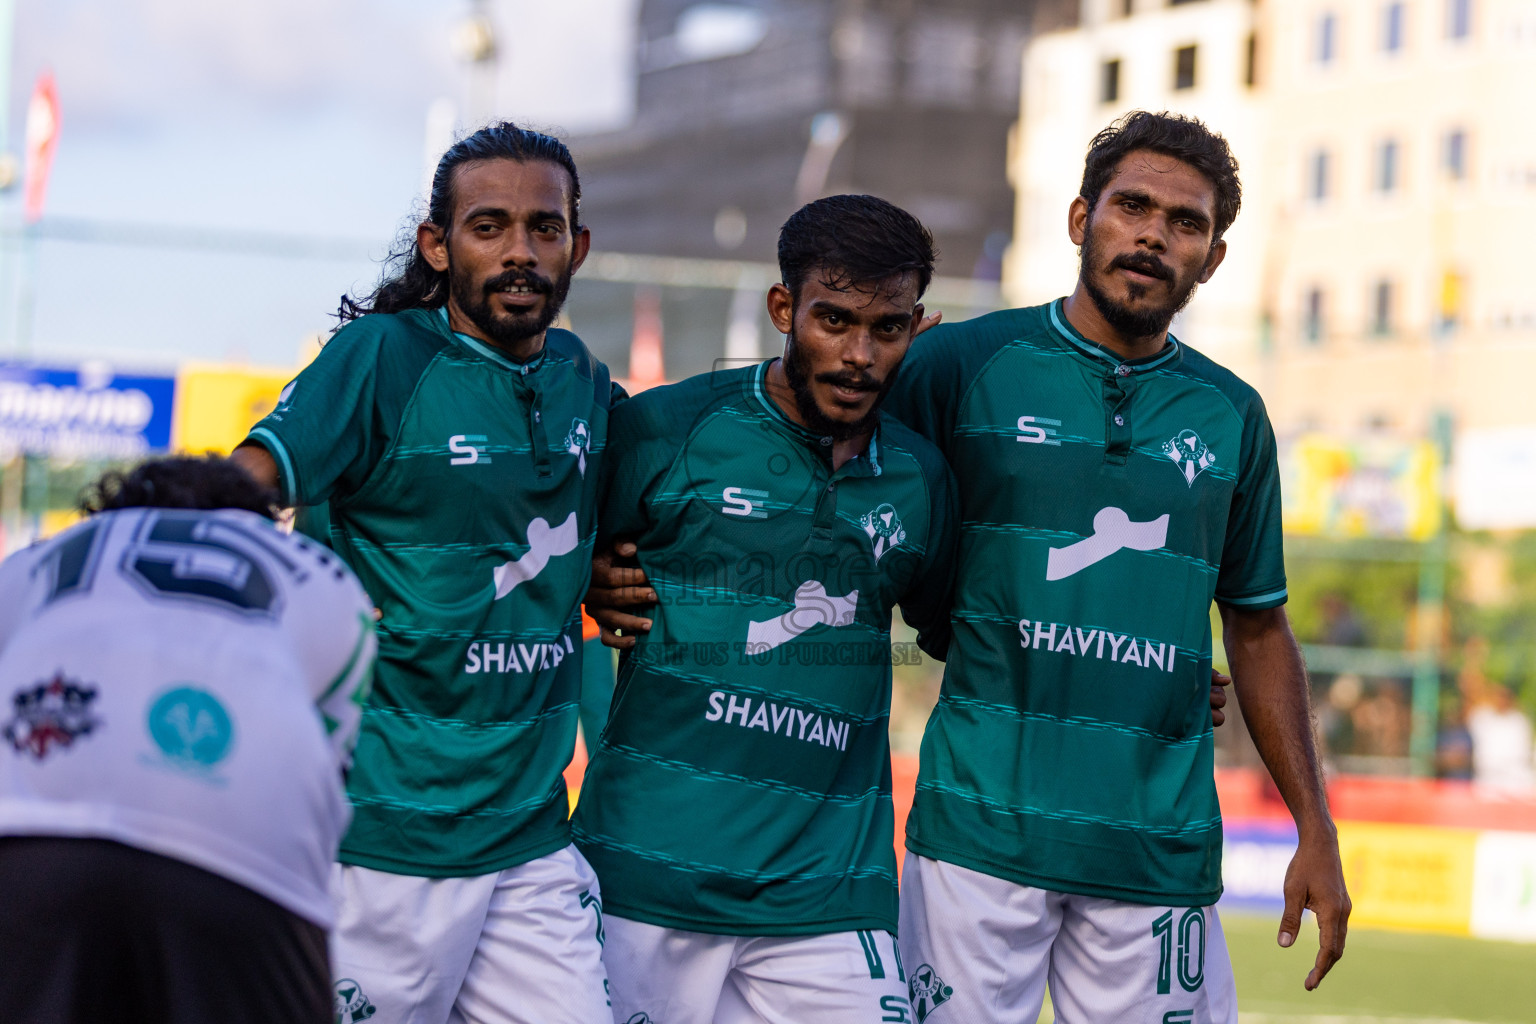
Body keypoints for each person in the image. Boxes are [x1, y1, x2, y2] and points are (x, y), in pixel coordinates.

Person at [878, 110, 1350, 1022]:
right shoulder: (960, 364)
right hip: (978, 839)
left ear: (1212, 258)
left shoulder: (1232, 415)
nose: (1153, 235)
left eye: (1186, 223)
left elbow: (1256, 623)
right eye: (1132, 206)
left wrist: (1316, 826)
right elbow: (847, 493)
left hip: (1156, 850)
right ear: (1079, 218)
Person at [231, 123, 618, 1023]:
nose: (521, 251)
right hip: (381, 840)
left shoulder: (581, 378)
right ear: (438, 246)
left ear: (578, 246)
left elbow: (625, 513)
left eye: (545, 227)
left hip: (527, 839)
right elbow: (247, 482)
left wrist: (614, 567)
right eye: (489, 226)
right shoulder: (381, 359)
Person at [574, 195, 956, 1023]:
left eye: (886, 328)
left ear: (917, 327)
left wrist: (1165, 674)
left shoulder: (922, 480)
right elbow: (544, 558)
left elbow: (971, 627)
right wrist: (586, 579)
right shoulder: (666, 429)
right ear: (784, 308)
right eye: (834, 320)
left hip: (829, 896)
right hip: (647, 876)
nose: (859, 355)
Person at [0, 456, 377, 1024]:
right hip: (236, 823)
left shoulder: (40, 557)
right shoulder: (321, 574)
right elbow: (322, 768)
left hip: (32, 806)